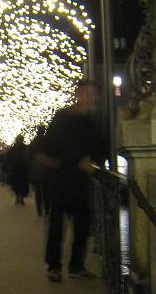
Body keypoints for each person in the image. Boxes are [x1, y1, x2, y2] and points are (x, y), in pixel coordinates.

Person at [38, 80, 107, 282]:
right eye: (86, 94)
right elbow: (51, 146)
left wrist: (92, 163)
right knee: (57, 226)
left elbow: (100, 148)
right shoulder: (62, 117)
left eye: (93, 95)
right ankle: (54, 266)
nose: (89, 98)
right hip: (61, 179)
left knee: (82, 225)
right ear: (77, 95)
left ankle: (76, 265)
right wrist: (78, 161)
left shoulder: (91, 121)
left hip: (80, 181)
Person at [27, 124, 51, 217]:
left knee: (38, 191)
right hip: (47, 169)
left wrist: (29, 170)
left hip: (36, 169)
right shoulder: (48, 141)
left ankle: (39, 209)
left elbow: (29, 157)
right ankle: (47, 208)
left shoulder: (33, 143)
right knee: (46, 190)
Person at [6, 134, 30, 205]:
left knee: (16, 185)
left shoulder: (13, 148)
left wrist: (10, 165)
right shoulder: (25, 148)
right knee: (22, 185)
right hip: (23, 170)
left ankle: (18, 197)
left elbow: (8, 157)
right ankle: (21, 198)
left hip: (16, 170)